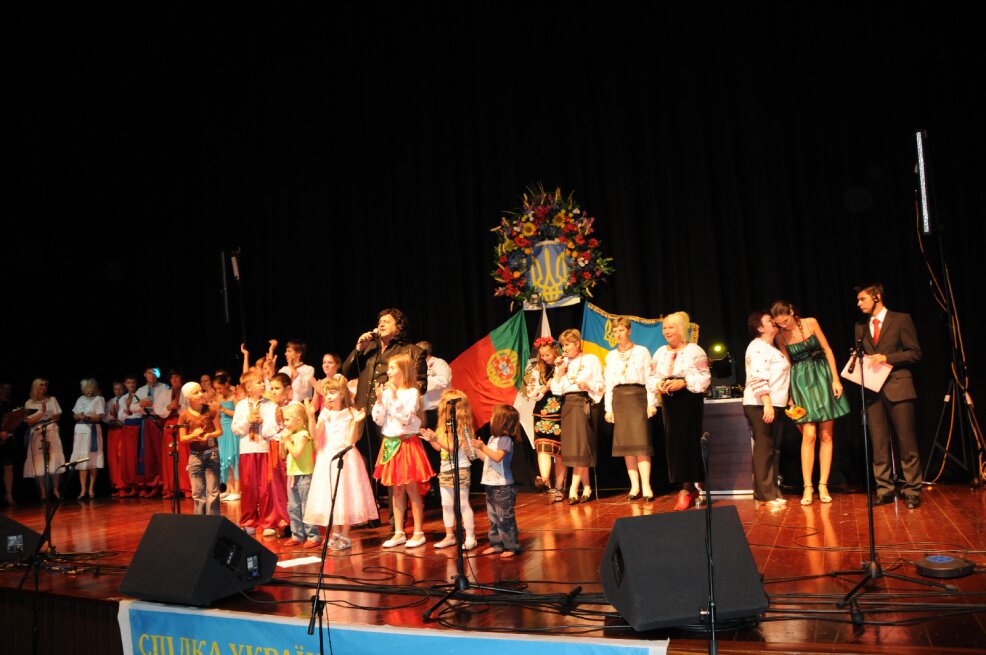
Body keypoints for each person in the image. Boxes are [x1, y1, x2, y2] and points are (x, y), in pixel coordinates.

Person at [771, 301, 849, 505]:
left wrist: (835, 379)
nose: (784, 326)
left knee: (826, 435)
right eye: (779, 324)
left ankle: (823, 484)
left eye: (785, 320)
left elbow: (827, 350)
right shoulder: (780, 336)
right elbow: (787, 364)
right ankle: (808, 487)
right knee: (809, 434)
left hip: (822, 378)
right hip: (801, 383)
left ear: (792, 312)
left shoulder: (811, 323)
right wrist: (790, 394)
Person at [854, 283, 923, 509]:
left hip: (898, 386)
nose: (859, 304)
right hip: (873, 390)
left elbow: (914, 353)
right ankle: (884, 488)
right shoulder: (861, 327)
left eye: (862, 299)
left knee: (906, 441)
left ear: (877, 297)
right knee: (879, 443)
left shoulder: (901, 320)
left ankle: (912, 490)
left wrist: (887, 357)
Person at [342, 308, 427, 482]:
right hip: (364, 412)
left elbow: (420, 385)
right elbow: (346, 372)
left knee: (393, 468)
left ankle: (394, 502)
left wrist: (395, 393)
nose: (381, 324)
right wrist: (358, 349)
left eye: (386, 321)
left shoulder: (412, 351)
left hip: (392, 417)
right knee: (364, 462)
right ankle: (369, 499)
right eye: (380, 321)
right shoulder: (369, 348)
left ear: (398, 327)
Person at [647, 311, 711, 511]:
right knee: (674, 444)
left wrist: (683, 382)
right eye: (664, 328)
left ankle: (687, 488)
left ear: (681, 329)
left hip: (688, 400)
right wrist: (659, 384)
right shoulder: (660, 352)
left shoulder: (694, 350)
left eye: (671, 327)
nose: (666, 331)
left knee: (688, 441)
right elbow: (651, 377)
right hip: (669, 402)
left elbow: (705, 377)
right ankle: (686, 486)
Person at [305, 376, 377, 551]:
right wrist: (311, 416)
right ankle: (335, 532)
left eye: (332, 392)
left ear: (342, 393)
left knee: (346, 494)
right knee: (331, 494)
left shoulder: (351, 412)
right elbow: (315, 435)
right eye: (326, 393)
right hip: (328, 457)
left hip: (346, 457)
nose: (329, 397)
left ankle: (345, 534)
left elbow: (352, 440)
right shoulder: (325, 413)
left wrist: (356, 422)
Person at [371, 354, 434, 549]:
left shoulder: (412, 393)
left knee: (412, 489)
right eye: (388, 368)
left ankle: (418, 532)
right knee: (396, 490)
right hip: (390, 443)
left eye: (392, 368)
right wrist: (380, 401)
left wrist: (394, 396)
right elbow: (378, 420)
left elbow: (406, 418)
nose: (388, 372)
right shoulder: (387, 393)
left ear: (403, 370)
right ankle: (399, 532)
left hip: (406, 443)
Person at [604, 317, 658, 502]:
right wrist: (608, 408)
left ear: (629, 331)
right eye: (615, 331)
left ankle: (646, 485)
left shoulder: (641, 351)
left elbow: (650, 378)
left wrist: (651, 403)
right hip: (619, 399)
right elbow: (609, 383)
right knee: (627, 446)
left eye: (621, 330)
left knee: (641, 444)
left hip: (638, 397)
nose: (618, 334)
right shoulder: (611, 355)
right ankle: (634, 486)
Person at [549, 329, 604, 505]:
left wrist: (588, 385)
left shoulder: (591, 359)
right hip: (568, 404)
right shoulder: (563, 362)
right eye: (563, 345)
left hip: (583, 402)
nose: (565, 348)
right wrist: (559, 371)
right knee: (573, 448)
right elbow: (556, 390)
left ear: (577, 343)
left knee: (581, 446)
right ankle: (586, 487)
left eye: (568, 344)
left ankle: (573, 488)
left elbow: (601, 384)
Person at [420, 389, 478, 551]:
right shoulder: (443, 425)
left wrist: (437, 439)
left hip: (461, 468)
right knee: (446, 504)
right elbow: (440, 448)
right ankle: (449, 535)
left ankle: (470, 537)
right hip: (445, 469)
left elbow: (453, 448)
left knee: (463, 503)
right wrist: (431, 439)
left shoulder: (463, 426)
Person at [743, 311, 790, 508]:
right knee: (764, 448)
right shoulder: (758, 347)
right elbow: (758, 376)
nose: (774, 322)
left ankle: (772, 490)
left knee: (773, 449)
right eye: (769, 321)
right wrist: (767, 404)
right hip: (760, 404)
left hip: (775, 403)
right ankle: (764, 495)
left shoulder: (771, 348)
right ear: (760, 328)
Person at [471, 404, 522, 558]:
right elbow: (487, 458)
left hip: (502, 487)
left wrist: (483, 447)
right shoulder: (493, 438)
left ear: (501, 420)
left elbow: (497, 457)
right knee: (493, 517)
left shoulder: (505, 440)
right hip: (491, 485)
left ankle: (511, 546)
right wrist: (476, 449)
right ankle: (496, 544)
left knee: (504, 518)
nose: (491, 418)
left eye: (493, 416)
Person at [231, 369, 276, 535]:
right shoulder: (241, 405)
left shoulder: (270, 404)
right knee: (249, 487)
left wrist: (262, 421)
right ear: (249, 387)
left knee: (265, 487)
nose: (263, 384)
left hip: (264, 449)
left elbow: (273, 428)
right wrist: (247, 421)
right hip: (247, 450)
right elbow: (235, 428)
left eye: (263, 381)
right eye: (259, 382)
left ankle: (268, 522)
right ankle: (249, 521)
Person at [525, 337, 566, 502]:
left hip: (561, 412)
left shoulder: (564, 365)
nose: (545, 358)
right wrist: (544, 388)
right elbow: (530, 392)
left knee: (561, 453)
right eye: (542, 355)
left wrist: (555, 379)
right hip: (542, 414)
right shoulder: (537, 370)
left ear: (555, 351)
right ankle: (545, 480)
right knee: (543, 448)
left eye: (548, 354)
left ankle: (560, 488)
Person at [279, 403, 320, 547]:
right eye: (284, 420)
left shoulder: (303, 435)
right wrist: (282, 443)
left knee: (306, 507)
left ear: (298, 420)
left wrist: (287, 441)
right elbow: (283, 456)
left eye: (287, 420)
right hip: (292, 475)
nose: (285, 423)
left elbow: (297, 453)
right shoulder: (292, 435)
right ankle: (297, 534)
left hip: (304, 476)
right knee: (293, 507)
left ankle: (313, 536)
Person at [179, 382, 223, 515]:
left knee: (213, 491)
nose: (200, 394)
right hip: (195, 456)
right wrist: (193, 436)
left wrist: (209, 435)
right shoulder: (184, 415)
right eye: (195, 392)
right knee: (198, 493)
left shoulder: (211, 410)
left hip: (212, 454)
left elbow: (219, 431)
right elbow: (182, 438)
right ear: (188, 397)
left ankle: (213, 522)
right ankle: (200, 522)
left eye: (201, 391)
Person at [23, 378, 65, 499]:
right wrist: (42, 414)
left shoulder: (52, 399)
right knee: (39, 461)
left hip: (51, 429)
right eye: (41, 385)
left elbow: (58, 415)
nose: (44, 388)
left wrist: (48, 417)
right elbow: (29, 421)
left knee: (54, 458)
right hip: (37, 432)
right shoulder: (29, 403)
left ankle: (55, 489)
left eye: (45, 386)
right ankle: (43, 491)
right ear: (35, 387)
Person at [135, 367, 170, 497]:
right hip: (146, 422)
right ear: (145, 374)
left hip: (159, 421)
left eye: (155, 372)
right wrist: (141, 405)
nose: (152, 375)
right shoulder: (141, 390)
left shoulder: (164, 388)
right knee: (147, 455)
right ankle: (150, 484)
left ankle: (163, 483)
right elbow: (133, 408)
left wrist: (153, 405)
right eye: (149, 372)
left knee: (160, 453)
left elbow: (166, 405)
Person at [71, 378, 106, 499]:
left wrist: (88, 417)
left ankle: (91, 488)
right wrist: (79, 416)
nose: (82, 389)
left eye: (83, 387)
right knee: (82, 461)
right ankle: (83, 489)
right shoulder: (80, 399)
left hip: (92, 430)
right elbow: (74, 415)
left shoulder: (99, 399)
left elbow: (99, 417)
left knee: (93, 460)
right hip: (80, 431)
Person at [212, 371, 240, 502]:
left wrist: (222, 409)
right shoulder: (218, 397)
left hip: (231, 429)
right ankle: (229, 489)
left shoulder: (234, 396)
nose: (218, 391)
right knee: (224, 459)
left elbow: (238, 414)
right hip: (222, 430)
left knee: (233, 458)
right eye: (216, 389)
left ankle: (237, 490)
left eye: (220, 388)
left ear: (226, 384)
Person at [103, 381, 130, 497]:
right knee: (113, 458)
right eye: (115, 389)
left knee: (121, 456)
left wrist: (120, 415)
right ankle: (116, 485)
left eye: (120, 389)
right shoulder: (110, 402)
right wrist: (111, 414)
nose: (118, 391)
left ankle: (123, 485)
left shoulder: (126, 399)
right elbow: (104, 418)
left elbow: (128, 416)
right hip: (112, 431)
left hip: (122, 430)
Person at [1, 382, 20, 505]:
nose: (6, 391)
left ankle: (9, 495)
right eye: (4, 388)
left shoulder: (10, 404)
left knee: (9, 466)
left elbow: (14, 420)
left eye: (9, 389)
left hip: (7, 439)